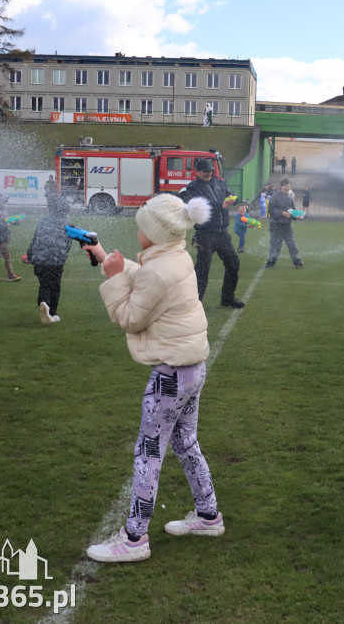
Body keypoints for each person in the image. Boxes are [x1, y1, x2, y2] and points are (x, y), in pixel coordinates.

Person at [82, 194, 224, 562]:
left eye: (142, 227)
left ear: (155, 234)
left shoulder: (159, 270)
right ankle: (208, 515)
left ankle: (133, 539)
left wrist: (114, 279)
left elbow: (130, 316)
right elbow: (145, 277)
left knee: (148, 452)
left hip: (171, 376)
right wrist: (104, 256)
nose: (138, 232)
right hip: (192, 368)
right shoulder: (175, 255)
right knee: (185, 442)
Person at [178, 158, 244, 308]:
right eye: (205, 171)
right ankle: (195, 304)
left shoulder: (220, 183)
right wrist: (221, 204)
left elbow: (232, 195)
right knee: (202, 270)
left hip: (222, 233)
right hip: (204, 234)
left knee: (233, 264)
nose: (209, 173)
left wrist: (234, 199)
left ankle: (227, 299)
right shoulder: (193, 187)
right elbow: (199, 203)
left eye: (210, 170)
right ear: (197, 172)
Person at [26, 198, 73, 325]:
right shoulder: (68, 226)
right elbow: (67, 245)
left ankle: (43, 303)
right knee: (55, 286)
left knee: (44, 284)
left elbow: (34, 240)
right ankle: (52, 313)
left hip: (39, 261)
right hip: (56, 262)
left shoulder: (42, 222)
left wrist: (30, 255)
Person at [266, 178, 304, 268]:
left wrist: (296, 216)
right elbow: (271, 210)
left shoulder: (290, 197)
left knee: (291, 243)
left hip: (287, 224)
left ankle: (296, 260)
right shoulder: (275, 196)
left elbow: (293, 210)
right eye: (286, 186)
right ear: (281, 187)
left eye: (289, 186)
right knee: (276, 243)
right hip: (276, 224)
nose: (287, 188)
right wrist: (282, 213)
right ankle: (271, 261)